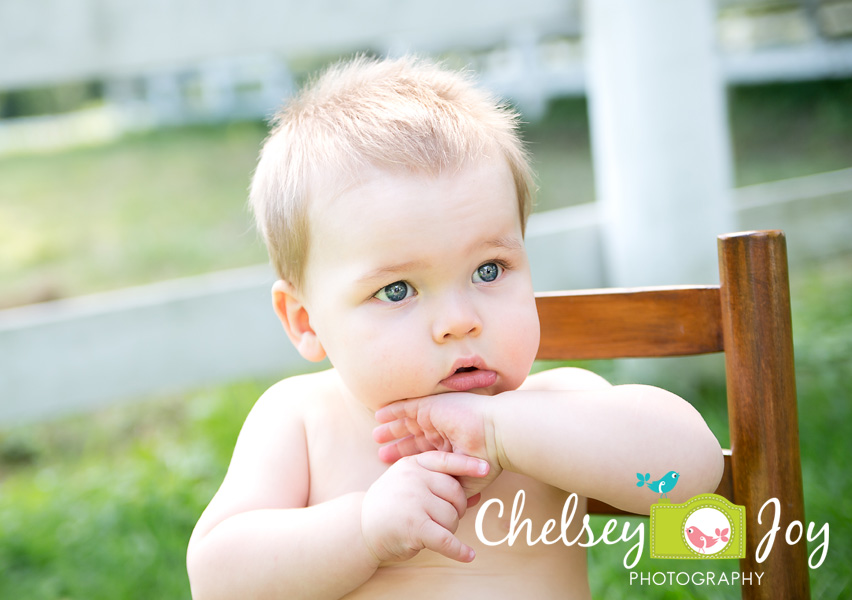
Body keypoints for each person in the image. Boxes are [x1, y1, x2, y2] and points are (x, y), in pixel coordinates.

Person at [186, 55, 724, 599]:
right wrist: (364, 528)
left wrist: (503, 433)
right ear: (306, 322)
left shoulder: (556, 409)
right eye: (397, 291)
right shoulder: (302, 422)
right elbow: (217, 581)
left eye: (488, 271)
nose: (460, 322)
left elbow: (689, 480)